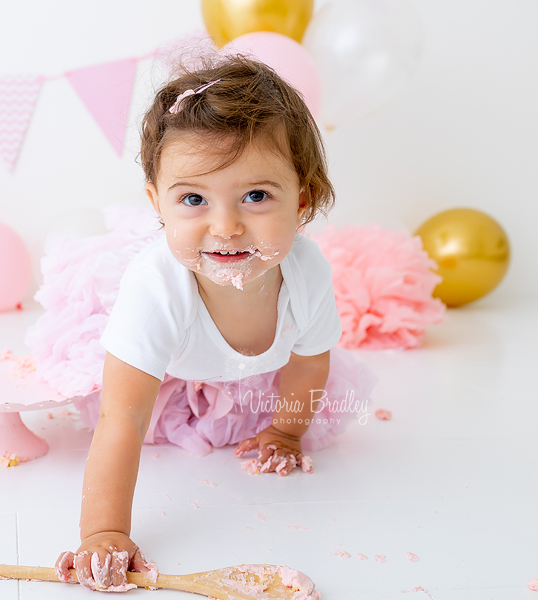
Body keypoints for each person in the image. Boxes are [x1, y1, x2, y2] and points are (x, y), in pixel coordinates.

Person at [29, 54, 376, 591]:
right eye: (193, 198)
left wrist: (286, 430)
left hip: (249, 364)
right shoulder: (156, 290)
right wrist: (104, 531)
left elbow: (308, 364)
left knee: (282, 388)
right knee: (130, 394)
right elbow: (122, 417)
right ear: (157, 203)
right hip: (167, 358)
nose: (226, 226)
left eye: (256, 196)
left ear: (302, 199)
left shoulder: (306, 274)